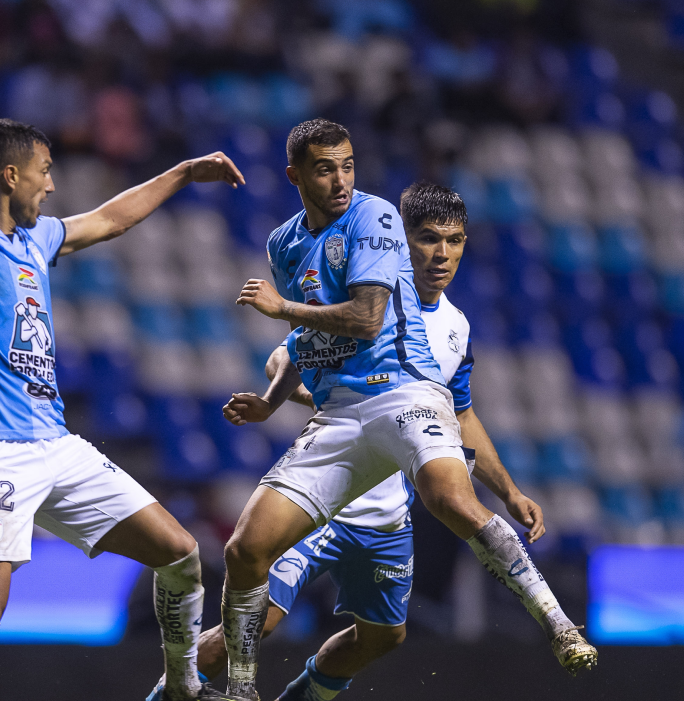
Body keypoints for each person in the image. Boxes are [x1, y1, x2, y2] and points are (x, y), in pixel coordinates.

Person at [0, 5, 245, 701]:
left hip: (54, 444)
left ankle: (181, 688)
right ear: (11, 176)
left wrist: (180, 172)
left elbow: (109, 218)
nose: (53, 184)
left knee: (179, 554)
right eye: (45, 171)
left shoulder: (36, 240)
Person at [148, 181, 593, 701]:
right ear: (400, 241)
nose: (442, 255)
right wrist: (334, 402)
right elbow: (283, 357)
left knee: (383, 637)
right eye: (428, 239)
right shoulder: (361, 297)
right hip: (325, 503)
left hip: (384, 516)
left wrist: (509, 491)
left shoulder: (456, 327)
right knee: (254, 624)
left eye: (454, 241)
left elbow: (462, 416)